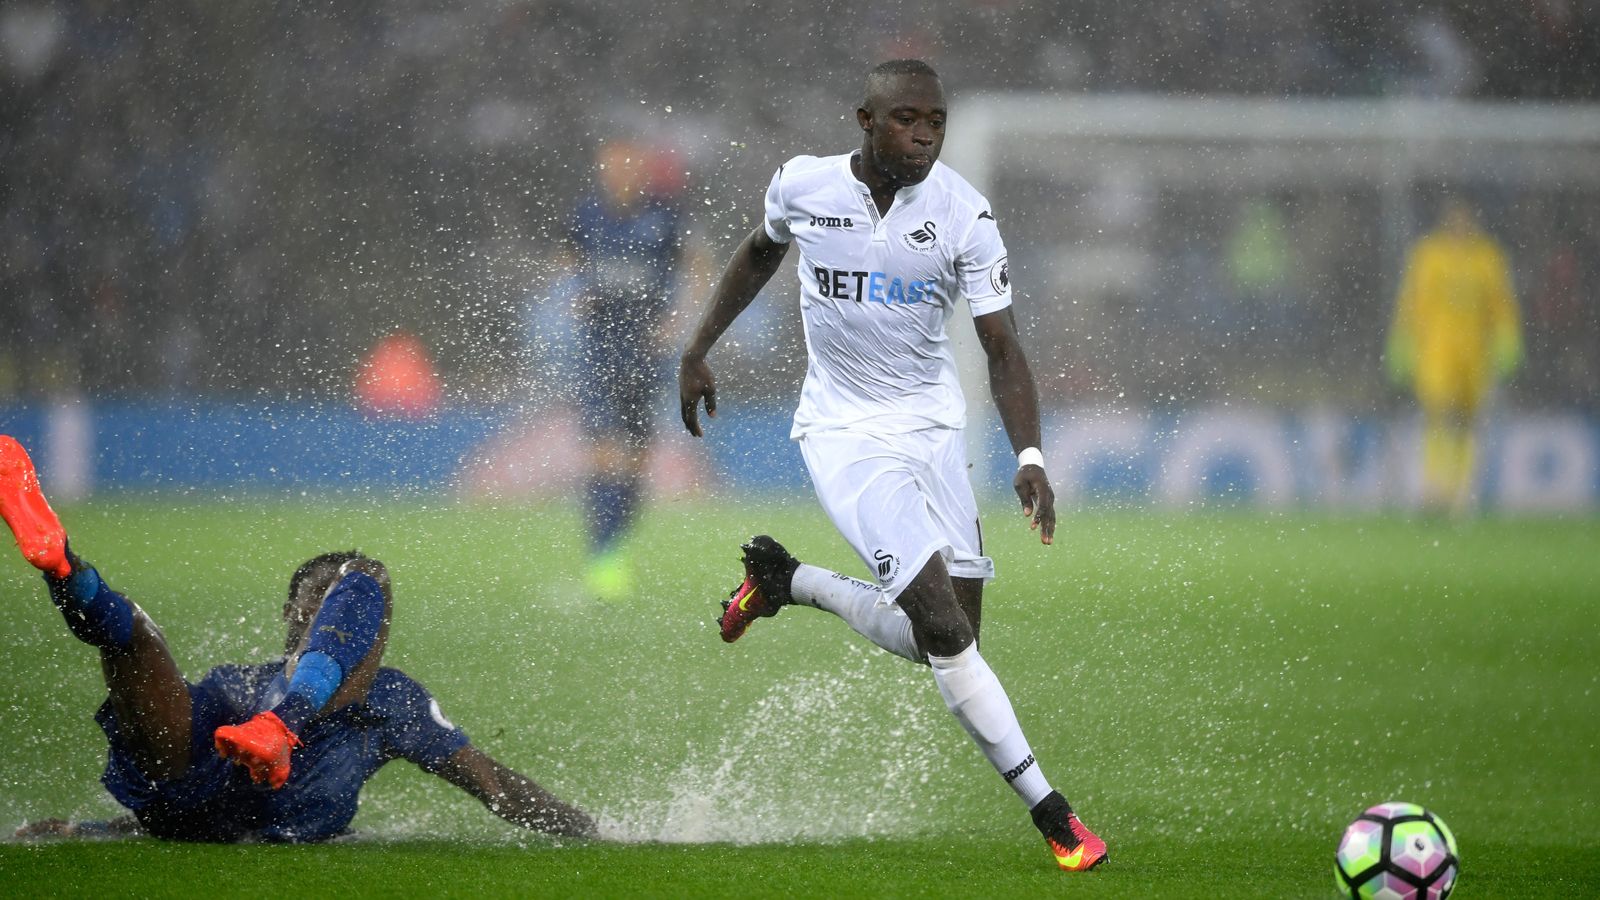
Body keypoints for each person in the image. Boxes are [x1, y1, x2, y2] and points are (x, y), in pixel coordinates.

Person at [676, 59, 1107, 873]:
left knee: (945, 638)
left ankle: (786, 583)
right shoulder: (804, 186)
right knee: (945, 630)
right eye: (909, 119)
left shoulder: (963, 214)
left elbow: (1002, 347)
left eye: (936, 121)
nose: (926, 135)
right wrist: (698, 347)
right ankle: (1054, 815)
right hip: (844, 435)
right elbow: (759, 254)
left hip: (933, 430)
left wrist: (1030, 455)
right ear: (866, 119)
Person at [0, 434, 596, 843]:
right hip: (202, 779)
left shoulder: (391, 700)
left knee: (137, 634)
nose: (323, 605)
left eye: (332, 598)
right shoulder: (242, 686)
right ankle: (63, 569)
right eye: (315, 595)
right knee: (134, 635)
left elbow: (494, 785)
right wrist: (98, 828)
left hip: (220, 805)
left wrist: (590, 829)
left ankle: (71, 576)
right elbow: (187, 805)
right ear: (290, 611)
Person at [561, 139, 686, 599]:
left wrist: (675, 319)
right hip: (599, 348)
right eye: (609, 166)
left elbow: (695, 264)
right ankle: (602, 558)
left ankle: (614, 549)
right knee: (600, 453)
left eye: (626, 165)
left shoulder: (663, 218)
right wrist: (574, 293)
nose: (618, 173)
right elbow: (569, 259)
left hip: (645, 351)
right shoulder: (587, 214)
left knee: (635, 459)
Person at [1386, 196, 1523, 514]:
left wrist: (1508, 342)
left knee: (1467, 421)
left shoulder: (1488, 257)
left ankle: (1462, 491)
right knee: (1439, 415)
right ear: (1446, 221)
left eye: (1465, 220)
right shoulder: (1428, 255)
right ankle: (1434, 487)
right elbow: (1412, 303)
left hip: (1475, 353)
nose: (1460, 226)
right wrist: (1402, 344)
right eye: (1455, 220)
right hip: (1437, 350)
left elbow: (1501, 305)